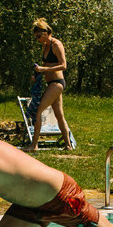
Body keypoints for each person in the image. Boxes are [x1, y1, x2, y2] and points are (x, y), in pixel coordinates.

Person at [25, 18, 72, 152]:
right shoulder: (45, 46)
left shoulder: (56, 44)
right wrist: (38, 75)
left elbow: (63, 66)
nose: (37, 39)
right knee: (59, 114)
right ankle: (68, 145)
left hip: (57, 83)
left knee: (38, 111)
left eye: (38, 36)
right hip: (51, 82)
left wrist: (44, 70)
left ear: (45, 33)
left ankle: (34, 145)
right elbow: (46, 65)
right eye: (36, 37)